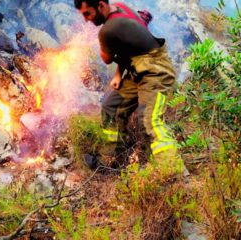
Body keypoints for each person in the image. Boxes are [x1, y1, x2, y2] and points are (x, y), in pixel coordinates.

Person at [74, 0, 178, 169]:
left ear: (100, 5)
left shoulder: (108, 30)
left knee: (149, 121)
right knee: (111, 108)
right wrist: (118, 74)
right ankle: (113, 159)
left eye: (88, 13)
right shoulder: (120, 6)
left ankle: (171, 171)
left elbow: (107, 59)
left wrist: (103, 42)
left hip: (156, 72)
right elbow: (126, 46)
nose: (86, 20)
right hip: (137, 69)